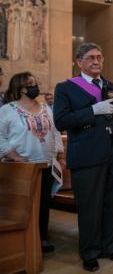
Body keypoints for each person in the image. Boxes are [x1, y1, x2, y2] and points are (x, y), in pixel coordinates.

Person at [54, 43, 113, 272]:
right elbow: (61, 121)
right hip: (87, 154)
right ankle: (89, 252)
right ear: (79, 62)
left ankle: (110, 247)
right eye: (90, 58)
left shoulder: (112, 86)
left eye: (99, 57)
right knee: (90, 205)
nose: (96, 61)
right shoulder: (66, 88)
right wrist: (93, 111)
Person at [0, 72, 64, 253]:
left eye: (36, 83)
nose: (35, 87)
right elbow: (0, 136)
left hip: (46, 163)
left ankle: (41, 239)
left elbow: (56, 132)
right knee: (23, 206)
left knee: (43, 204)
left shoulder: (46, 108)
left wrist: (60, 155)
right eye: (30, 84)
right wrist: (13, 155)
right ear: (20, 88)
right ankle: (22, 243)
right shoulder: (8, 110)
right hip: (21, 167)